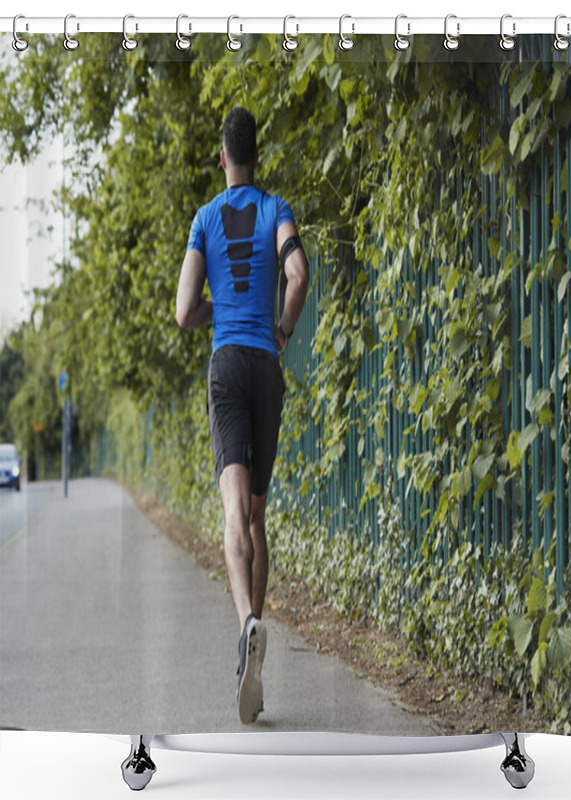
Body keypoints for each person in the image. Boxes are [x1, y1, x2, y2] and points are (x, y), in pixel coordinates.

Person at [175, 107, 309, 724]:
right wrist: (281, 329)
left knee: (231, 511)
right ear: (258, 155)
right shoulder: (277, 208)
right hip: (266, 367)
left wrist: (214, 313)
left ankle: (246, 626)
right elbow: (297, 275)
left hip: (226, 366)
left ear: (221, 157)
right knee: (257, 513)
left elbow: (183, 312)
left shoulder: (204, 218)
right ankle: (258, 642)